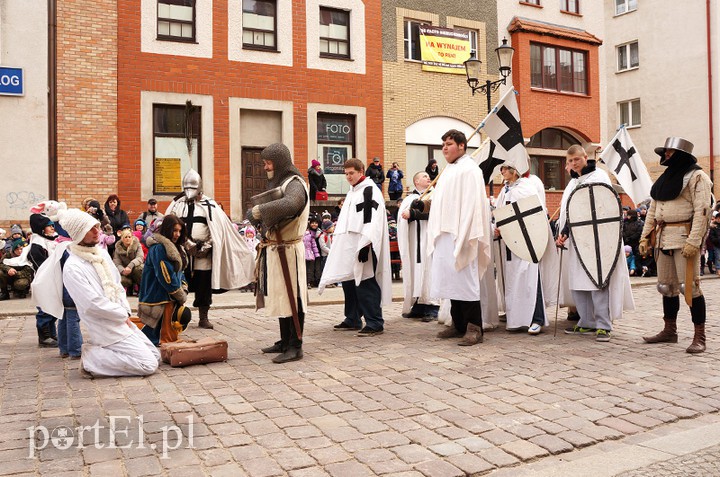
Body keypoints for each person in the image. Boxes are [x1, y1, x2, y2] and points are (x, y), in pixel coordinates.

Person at [58, 208, 160, 378]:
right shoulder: (73, 267)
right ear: (79, 234)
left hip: (121, 319)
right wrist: (120, 314)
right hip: (105, 325)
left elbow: (117, 285)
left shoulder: (101, 254)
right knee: (148, 364)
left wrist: (125, 311)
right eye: (91, 229)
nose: (97, 231)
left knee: (155, 355)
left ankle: (104, 353)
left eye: (97, 227)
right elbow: (92, 304)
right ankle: (92, 359)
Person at [639, 137, 713, 353]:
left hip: (684, 237)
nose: (666, 156)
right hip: (663, 238)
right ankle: (669, 330)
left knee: (690, 287)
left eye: (670, 152)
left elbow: (703, 211)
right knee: (667, 287)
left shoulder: (698, 177)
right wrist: (645, 236)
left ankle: (700, 336)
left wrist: (694, 241)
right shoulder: (664, 178)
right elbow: (654, 210)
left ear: (682, 155)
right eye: (666, 152)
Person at [422, 130, 493, 346]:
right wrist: (423, 205)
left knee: (465, 279)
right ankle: (458, 323)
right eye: (443, 144)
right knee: (451, 279)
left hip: (461, 232)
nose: (444, 148)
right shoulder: (448, 170)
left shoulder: (470, 169)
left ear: (462, 146)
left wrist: (464, 233)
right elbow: (442, 201)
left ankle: (474, 327)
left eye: (449, 143)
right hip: (445, 232)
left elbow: (472, 204)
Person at [557, 145, 634, 342]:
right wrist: (564, 232)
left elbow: (603, 208)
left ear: (585, 157)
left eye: (576, 159)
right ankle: (586, 322)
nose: (573, 164)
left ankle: (603, 325)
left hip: (597, 239)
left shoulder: (599, 177)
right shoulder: (573, 182)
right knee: (577, 281)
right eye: (570, 161)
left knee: (597, 279)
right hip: (575, 238)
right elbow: (571, 212)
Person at [166, 169, 255, 329]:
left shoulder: (210, 205)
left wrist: (205, 247)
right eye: (187, 189)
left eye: (192, 189)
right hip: (182, 251)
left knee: (203, 286)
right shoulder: (178, 205)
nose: (189, 193)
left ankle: (203, 317)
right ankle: (177, 315)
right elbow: (170, 225)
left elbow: (219, 230)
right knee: (178, 284)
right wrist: (187, 244)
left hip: (203, 254)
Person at [247, 143, 310, 363]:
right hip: (276, 248)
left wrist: (259, 211)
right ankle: (284, 340)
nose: (265, 167)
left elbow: (293, 203)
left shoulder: (295, 183)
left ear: (280, 162)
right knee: (281, 296)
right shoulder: (282, 183)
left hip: (289, 249)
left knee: (294, 297)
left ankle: (295, 345)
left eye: (268, 162)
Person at [320, 158, 392, 336]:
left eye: (351, 173)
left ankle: (375, 322)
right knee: (349, 282)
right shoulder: (353, 192)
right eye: (346, 174)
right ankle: (352, 318)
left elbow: (371, 220)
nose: (348, 177)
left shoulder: (369, 190)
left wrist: (365, 245)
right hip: (349, 245)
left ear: (361, 171)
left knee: (365, 281)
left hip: (363, 244)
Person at [493, 165, 558, 335]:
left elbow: (536, 213)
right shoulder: (505, 191)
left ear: (515, 169)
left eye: (506, 168)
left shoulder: (526, 187)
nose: (502, 172)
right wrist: (498, 227)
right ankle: (516, 319)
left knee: (530, 280)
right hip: (509, 243)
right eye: (501, 169)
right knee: (514, 281)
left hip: (527, 242)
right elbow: (498, 214)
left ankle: (536, 319)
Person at [137, 215, 191, 346]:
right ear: (167, 229)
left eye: (179, 231)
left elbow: (180, 271)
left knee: (164, 334)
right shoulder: (159, 248)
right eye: (174, 230)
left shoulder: (177, 247)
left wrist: (183, 287)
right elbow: (165, 275)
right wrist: (178, 293)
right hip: (157, 296)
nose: (177, 234)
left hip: (169, 296)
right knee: (151, 337)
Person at [397, 171, 438, 322]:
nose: (428, 178)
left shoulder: (435, 195)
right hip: (414, 241)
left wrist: (414, 214)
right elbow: (402, 218)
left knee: (429, 270)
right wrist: (406, 215)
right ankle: (418, 305)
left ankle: (433, 306)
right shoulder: (410, 198)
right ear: (416, 182)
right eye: (424, 176)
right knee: (416, 271)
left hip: (429, 240)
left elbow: (436, 214)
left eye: (429, 176)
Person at [113, 229, 144, 295]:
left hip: (136, 268)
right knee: (120, 278)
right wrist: (122, 270)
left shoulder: (137, 245)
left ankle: (141, 287)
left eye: (129, 237)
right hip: (125, 271)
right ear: (122, 239)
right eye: (125, 237)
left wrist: (130, 266)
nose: (128, 239)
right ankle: (129, 288)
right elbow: (116, 262)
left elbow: (140, 257)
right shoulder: (118, 249)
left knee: (138, 269)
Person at [303, 218, 321, 288]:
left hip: (310, 254)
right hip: (301, 254)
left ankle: (309, 282)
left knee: (309, 270)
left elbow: (314, 246)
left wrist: (316, 254)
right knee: (303, 269)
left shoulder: (310, 235)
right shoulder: (299, 235)